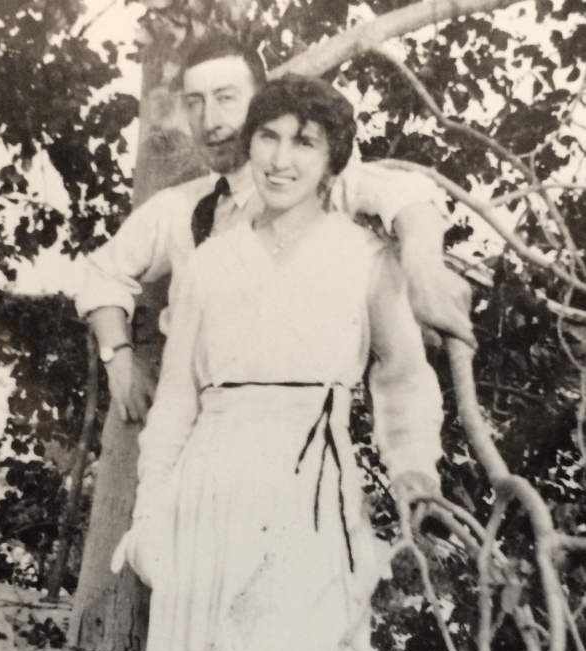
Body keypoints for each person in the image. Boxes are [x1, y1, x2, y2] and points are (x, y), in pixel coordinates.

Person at [111, 73, 444, 651]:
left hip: (308, 489)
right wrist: (151, 514)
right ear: (248, 145)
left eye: (305, 140)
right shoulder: (210, 262)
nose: (281, 156)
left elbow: (403, 381)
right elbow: (176, 401)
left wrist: (414, 475)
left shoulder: (365, 260)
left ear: (333, 160)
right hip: (213, 489)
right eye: (268, 136)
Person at [77, 32, 473, 425]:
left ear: (260, 103)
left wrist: (424, 271)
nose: (209, 121)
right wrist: (118, 358)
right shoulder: (182, 206)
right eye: (195, 102)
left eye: (226, 98)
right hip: (191, 424)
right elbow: (103, 273)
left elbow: (407, 193)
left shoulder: (309, 182)